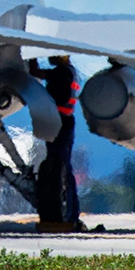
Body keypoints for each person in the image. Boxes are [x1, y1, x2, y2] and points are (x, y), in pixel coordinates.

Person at [29, 55, 83, 231]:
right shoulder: (72, 72)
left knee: (59, 166)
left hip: (59, 123)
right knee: (64, 167)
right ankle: (70, 213)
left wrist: (30, 55)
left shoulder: (61, 73)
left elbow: (35, 72)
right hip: (66, 122)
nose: (50, 57)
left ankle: (67, 213)